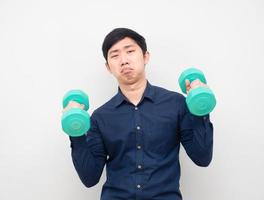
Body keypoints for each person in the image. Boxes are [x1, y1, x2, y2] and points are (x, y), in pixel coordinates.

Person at [63, 28, 214, 200]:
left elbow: (202, 158)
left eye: (130, 51)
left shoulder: (176, 104)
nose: (124, 61)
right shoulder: (100, 117)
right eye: (115, 55)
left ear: (145, 57)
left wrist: (199, 110)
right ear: (108, 67)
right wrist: (76, 133)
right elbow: (90, 178)